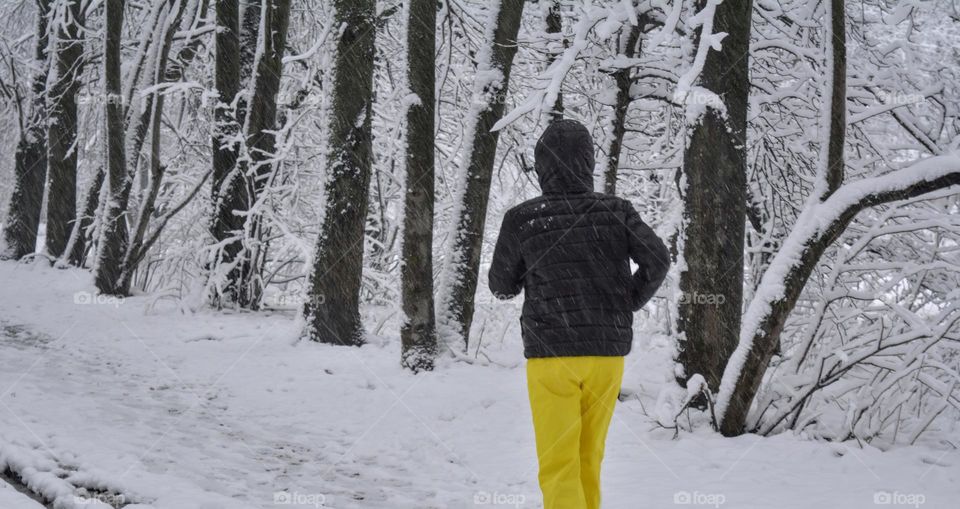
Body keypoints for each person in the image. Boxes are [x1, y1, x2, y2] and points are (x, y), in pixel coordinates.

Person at [488, 119, 671, 509]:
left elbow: (501, 286)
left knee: (559, 464)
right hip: (606, 356)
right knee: (590, 458)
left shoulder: (524, 218)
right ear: (588, 163)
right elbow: (656, 258)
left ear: (541, 168)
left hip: (552, 355)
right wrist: (628, 302)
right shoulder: (617, 211)